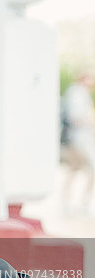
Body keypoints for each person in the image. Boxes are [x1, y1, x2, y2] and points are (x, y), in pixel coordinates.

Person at [60, 73, 95, 213]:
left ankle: (68, 200)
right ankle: (81, 202)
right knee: (87, 168)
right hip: (78, 138)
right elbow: (75, 117)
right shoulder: (76, 92)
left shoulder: (81, 93)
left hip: (80, 138)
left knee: (74, 169)